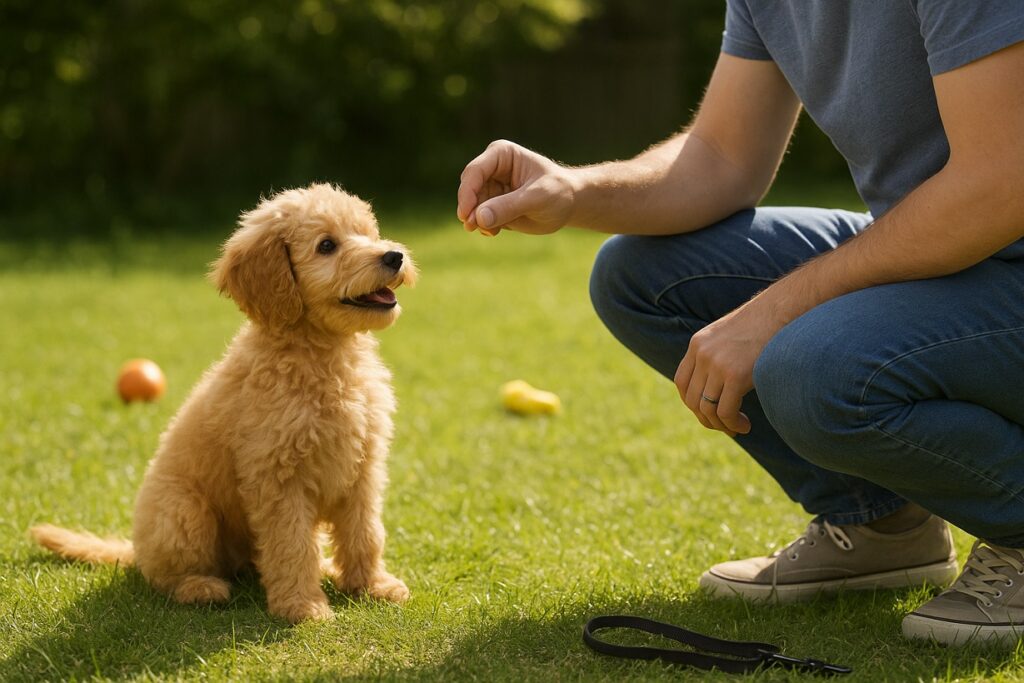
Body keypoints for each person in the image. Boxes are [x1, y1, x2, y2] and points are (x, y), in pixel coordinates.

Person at [456, 2, 1024, 646]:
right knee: (644, 277)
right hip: (963, 262)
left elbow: (1000, 184)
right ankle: (881, 524)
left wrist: (777, 310)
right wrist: (574, 192)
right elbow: (721, 156)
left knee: (811, 366)